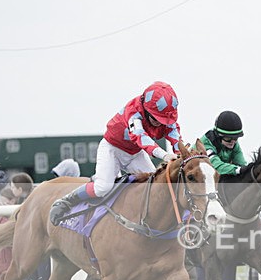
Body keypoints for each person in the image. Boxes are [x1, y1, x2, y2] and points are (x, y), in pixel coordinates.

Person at [49, 81, 182, 224]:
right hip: (112, 150)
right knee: (102, 188)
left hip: (135, 153)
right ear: (146, 109)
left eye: (163, 120)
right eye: (156, 118)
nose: (160, 123)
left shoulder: (166, 116)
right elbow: (141, 137)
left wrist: (180, 153)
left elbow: (175, 136)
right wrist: (165, 155)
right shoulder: (133, 112)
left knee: (156, 186)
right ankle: (67, 201)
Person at [194, 110, 248, 280]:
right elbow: (216, 167)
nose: (232, 143)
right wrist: (238, 170)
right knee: (205, 279)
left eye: (235, 139)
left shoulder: (234, 144)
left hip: (220, 205)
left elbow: (243, 165)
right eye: (228, 139)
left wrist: (243, 170)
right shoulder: (205, 143)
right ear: (218, 135)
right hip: (201, 203)